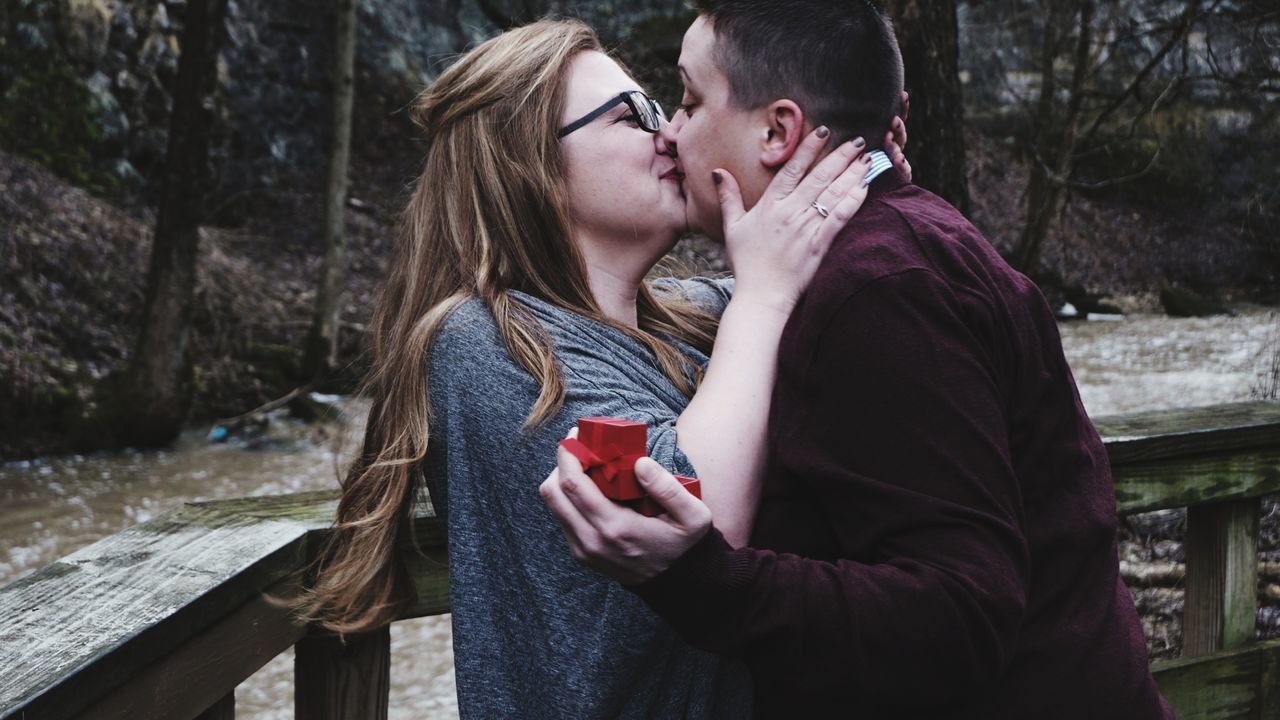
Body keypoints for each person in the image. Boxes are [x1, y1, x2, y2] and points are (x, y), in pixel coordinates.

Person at [541, 2, 1175, 718]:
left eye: (687, 100)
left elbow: (962, 617)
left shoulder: (879, 290)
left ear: (777, 129)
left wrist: (704, 579)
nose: (672, 131)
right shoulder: (891, 250)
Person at [293, 17, 898, 719]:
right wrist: (765, 294)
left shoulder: (684, 319)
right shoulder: (486, 341)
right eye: (630, 117)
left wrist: (849, 181)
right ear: (530, 164)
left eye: (666, 106)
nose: (669, 133)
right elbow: (694, 518)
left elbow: (802, 261)